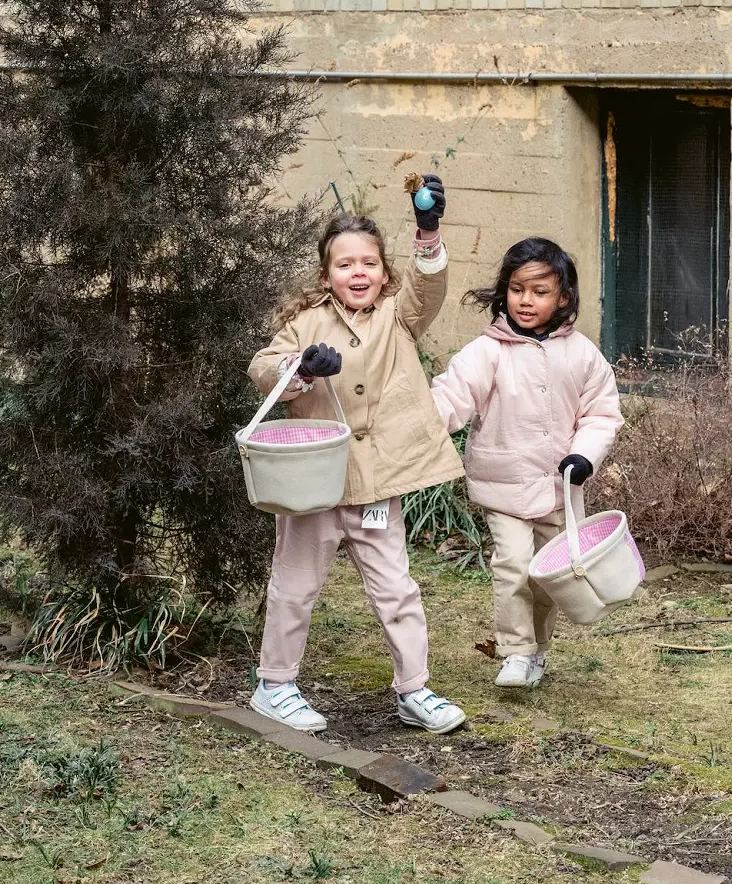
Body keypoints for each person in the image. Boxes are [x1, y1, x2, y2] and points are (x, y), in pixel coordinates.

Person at [247, 176, 466, 733]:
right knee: (295, 586)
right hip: (313, 484)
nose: (359, 273)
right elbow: (262, 367)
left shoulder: (399, 314)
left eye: (369, 263)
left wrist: (429, 230)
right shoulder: (305, 322)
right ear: (326, 276)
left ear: (384, 273)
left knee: (397, 590)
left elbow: (430, 287)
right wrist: (298, 370)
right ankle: (275, 685)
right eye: (345, 265)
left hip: (377, 483)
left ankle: (413, 690)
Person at [430, 237, 623, 688]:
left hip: (560, 488)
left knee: (548, 576)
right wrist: (417, 423)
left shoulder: (582, 354)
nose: (526, 301)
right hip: (503, 486)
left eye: (539, 292)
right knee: (513, 565)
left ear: (563, 297)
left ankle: (537, 648)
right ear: (505, 290)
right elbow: (452, 396)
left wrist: (585, 454)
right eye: (518, 289)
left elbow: (601, 412)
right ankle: (515, 651)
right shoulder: (488, 351)